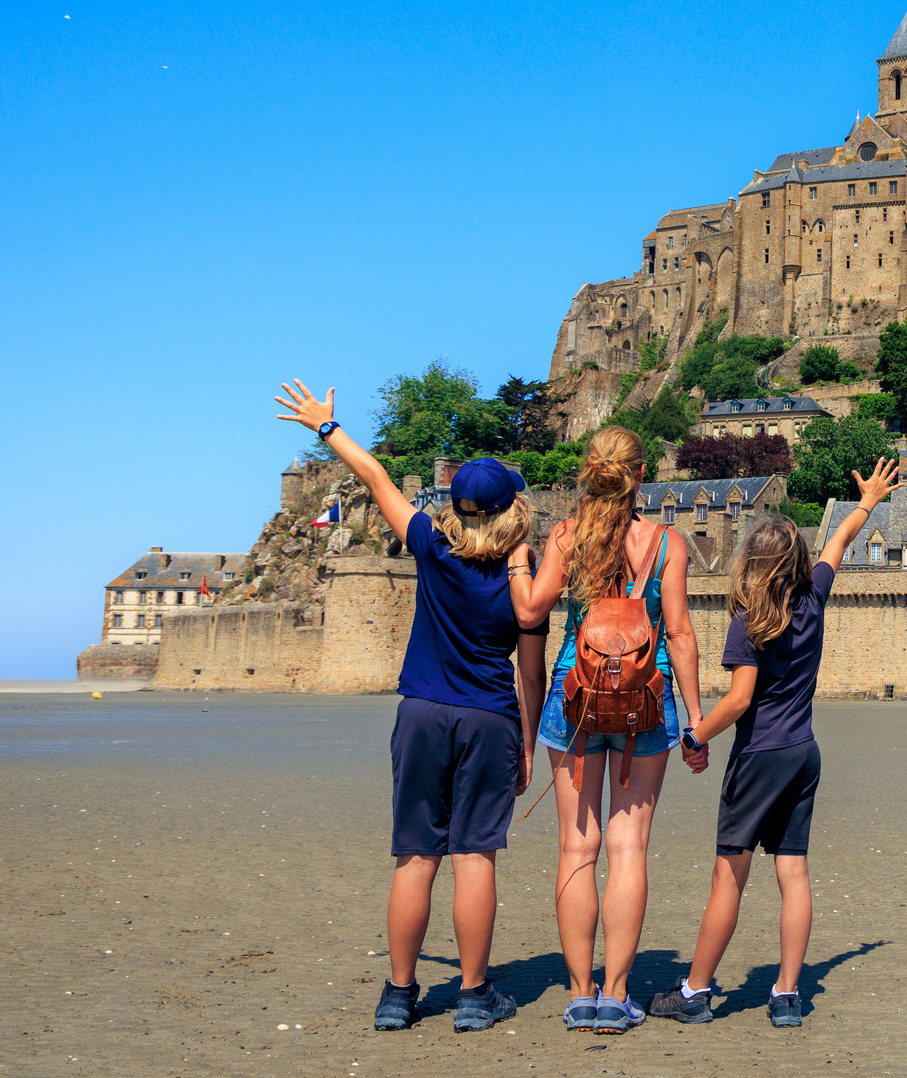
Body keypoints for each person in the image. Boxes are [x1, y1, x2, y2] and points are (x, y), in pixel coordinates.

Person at [273, 381, 542, 1034]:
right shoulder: (521, 574)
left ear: (455, 504)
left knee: (416, 856)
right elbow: (530, 672)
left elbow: (375, 476)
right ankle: (474, 997)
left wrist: (326, 427)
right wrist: (529, 745)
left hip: (422, 711)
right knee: (476, 856)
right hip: (490, 717)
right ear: (511, 508)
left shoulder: (429, 544)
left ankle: (398, 995)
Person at [649, 457, 900, 1029]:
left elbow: (738, 701)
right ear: (798, 562)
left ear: (751, 563)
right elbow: (837, 542)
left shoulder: (749, 621)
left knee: (729, 876)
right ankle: (787, 994)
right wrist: (867, 502)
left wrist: (692, 736)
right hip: (803, 753)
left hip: (759, 756)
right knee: (793, 873)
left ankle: (695, 992)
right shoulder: (813, 600)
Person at [518, 426, 704, 1035]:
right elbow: (677, 633)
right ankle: (617, 995)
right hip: (646, 701)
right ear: (640, 475)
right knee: (628, 850)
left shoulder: (568, 536)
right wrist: (696, 718)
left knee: (577, 848)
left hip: (574, 695)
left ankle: (579, 994)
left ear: (588, 472)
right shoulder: (665, 541)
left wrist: (520, 557)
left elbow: (531, 610)